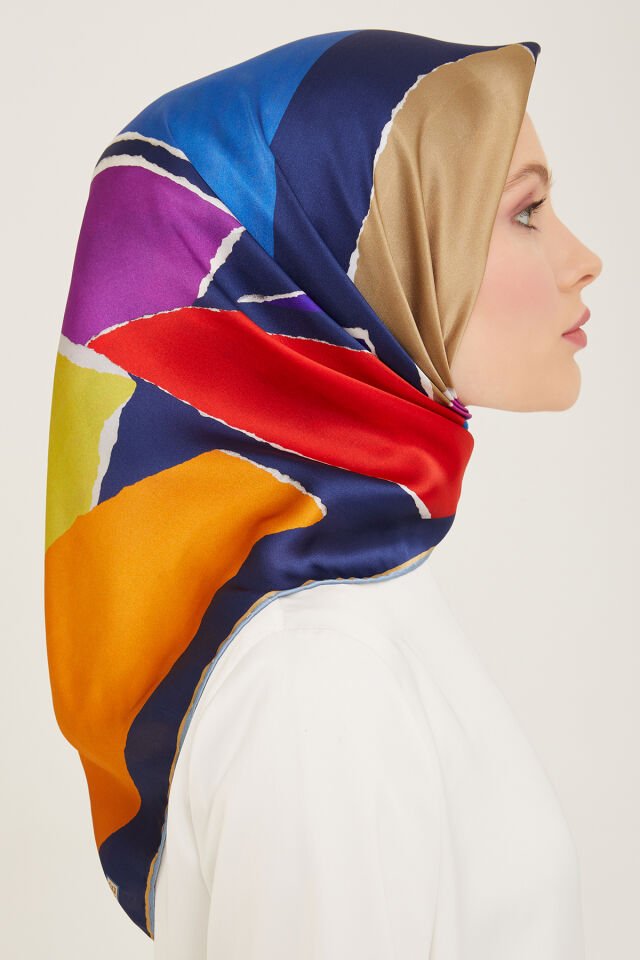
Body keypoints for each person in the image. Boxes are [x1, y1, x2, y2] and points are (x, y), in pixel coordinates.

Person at [43, 28, 602, 959]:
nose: (584, 259)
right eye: (527, 211)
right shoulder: (319, 686)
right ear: (345, 255)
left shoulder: (360, 612)